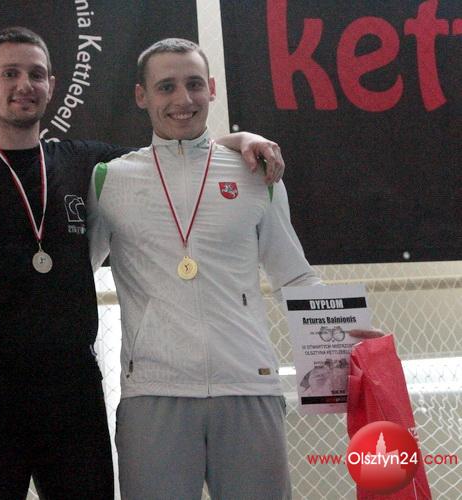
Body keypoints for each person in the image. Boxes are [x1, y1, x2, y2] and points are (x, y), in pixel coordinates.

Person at [0, 27, 288, 499]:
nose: (25, 85)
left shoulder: (88, 164)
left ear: (52, 85)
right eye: (10, 74)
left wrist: (242, 139)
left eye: (36, 74)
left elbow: (175, 149)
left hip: (73, 392)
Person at [86, 38, 382, 499]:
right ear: (142, 95)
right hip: (153, 391)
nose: (183, 99)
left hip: (249, 384)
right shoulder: (111, 179)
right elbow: (73, 278)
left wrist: (348, 335)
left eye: (194, 84)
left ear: (212, 88)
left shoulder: (256, 172)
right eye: (166, 87)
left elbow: (294, 276)